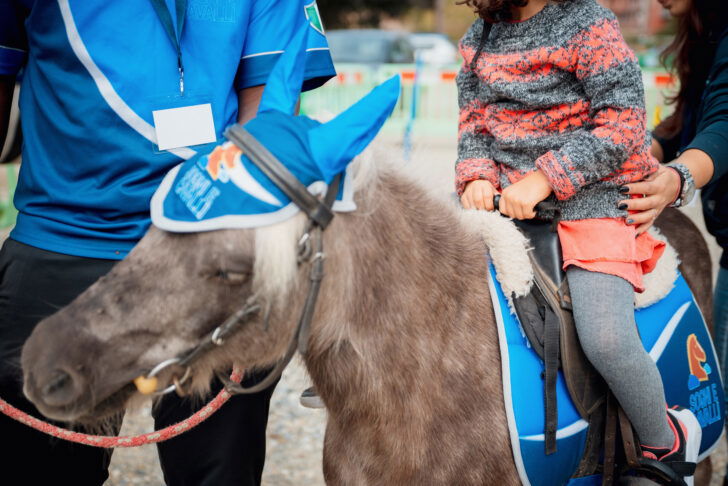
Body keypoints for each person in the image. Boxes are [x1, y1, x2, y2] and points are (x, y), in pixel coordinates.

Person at [0, 1, 335, 485]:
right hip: (65, 240)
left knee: (218, 472)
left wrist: (252, 263)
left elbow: (266, 115)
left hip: (211, 254)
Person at [456, 0, 701, 480]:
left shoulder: (587, 22)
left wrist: (547, 177)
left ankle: (664, 443)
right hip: (507, 202)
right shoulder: (477, 37)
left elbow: (624, 122)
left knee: (606, 338)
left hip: (594, 199)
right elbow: (474, 125)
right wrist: (475, 176)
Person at [616, 0, 727, 474]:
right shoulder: (705, 29)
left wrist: (676, 179)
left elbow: (724, 125)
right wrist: (634, 160)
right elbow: (686, 120)